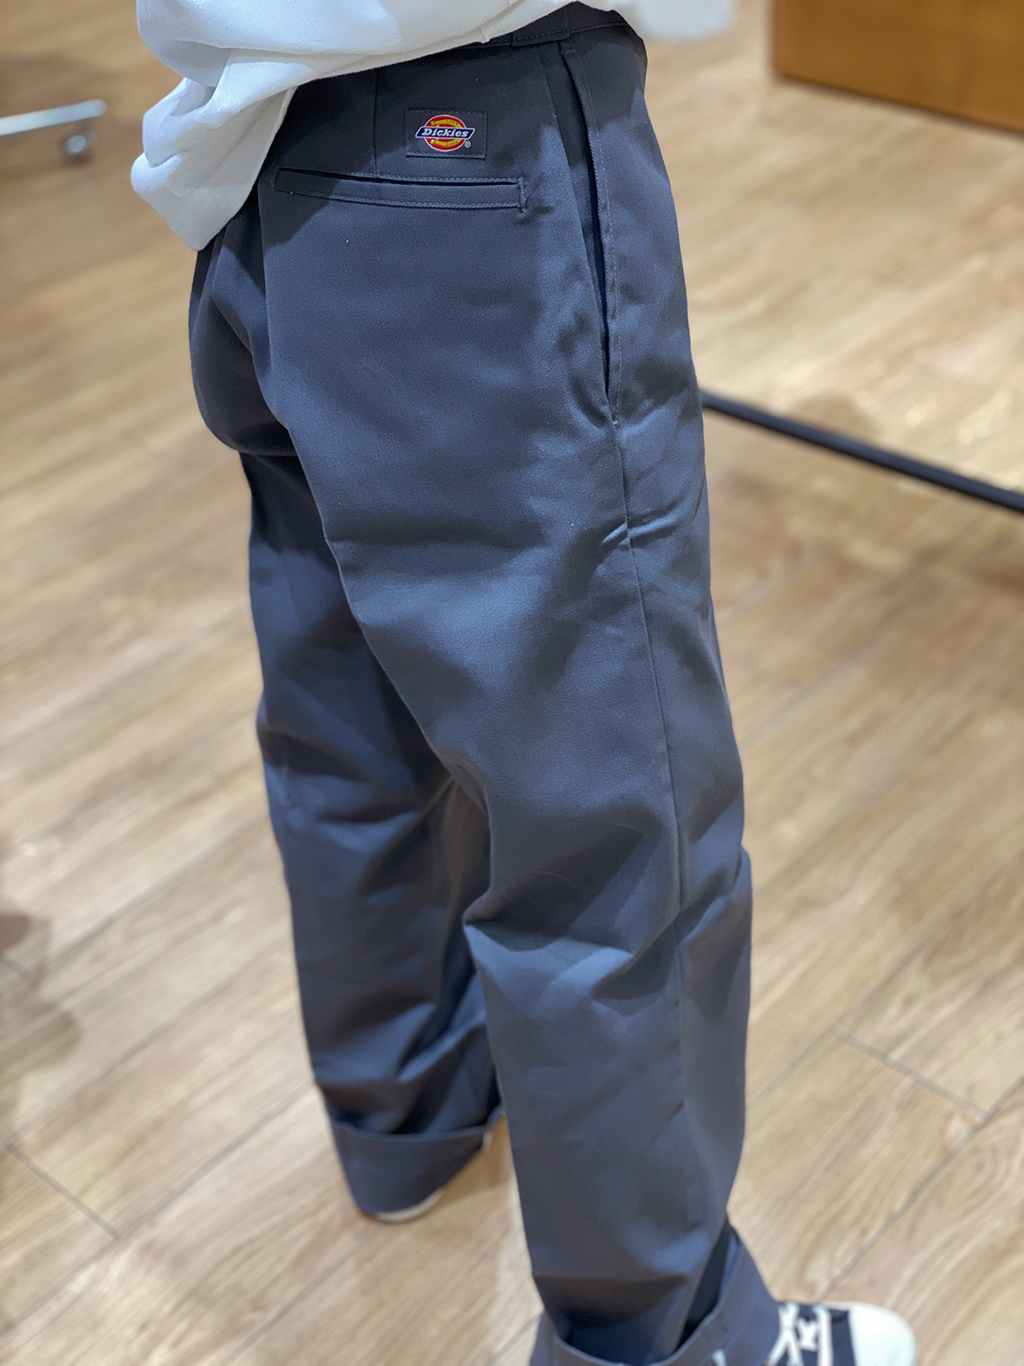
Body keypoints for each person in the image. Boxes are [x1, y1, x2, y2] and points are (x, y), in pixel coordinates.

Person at [132, 5, 918, 1366]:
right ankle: (666, 1338)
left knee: (351, 722)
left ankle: (406, 1117)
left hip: (261, 165)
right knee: (616, 831)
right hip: (483, 160)